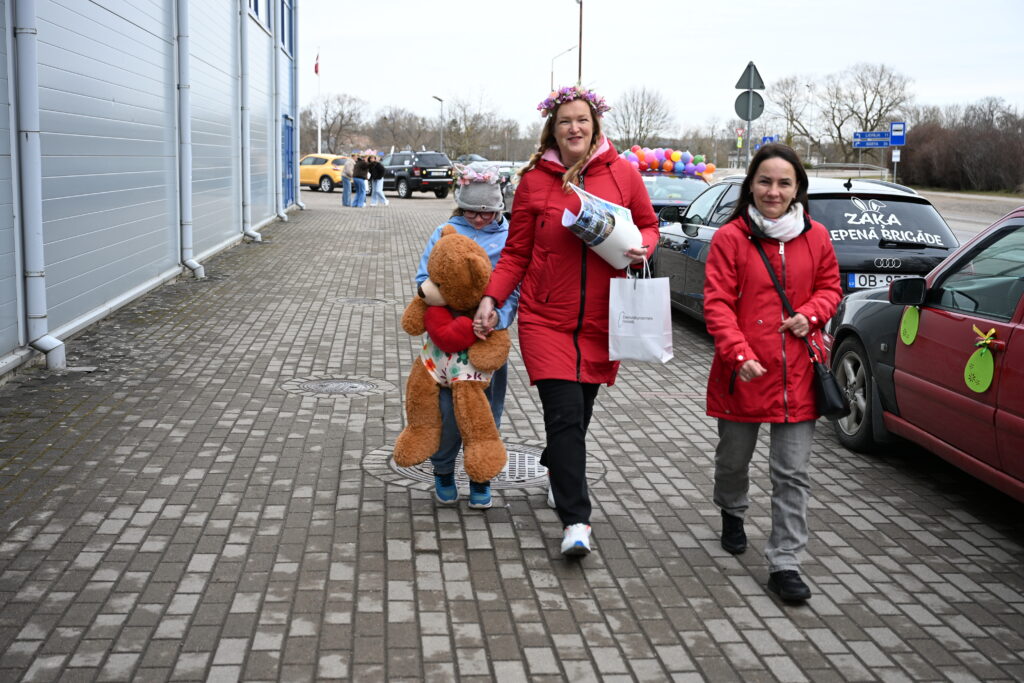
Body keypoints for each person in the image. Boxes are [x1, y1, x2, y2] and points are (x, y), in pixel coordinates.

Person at [474, 86, 658, 557]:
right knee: (565, 414)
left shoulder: (623, 174)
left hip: (602, 318)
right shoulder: (535, 180)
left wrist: (645, 247)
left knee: (579, 414)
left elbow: (649, 224)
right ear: (552, 130)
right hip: (545, 319)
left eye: (582, 120)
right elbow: (517, 252)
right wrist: (492, 298)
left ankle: (558, 465)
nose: (574, 128)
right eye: (564, 121)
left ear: (595, 126)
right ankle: (577, 522)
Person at [702, 143, 842, 603]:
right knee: (732, 461)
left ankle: (785, 562)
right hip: (743, 372)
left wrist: (811, 314)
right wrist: (738, 354)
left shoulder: (817, 236)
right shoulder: (730, 238)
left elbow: (830, 288)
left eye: (784, 183)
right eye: (765, 181)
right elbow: (717, 304)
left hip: (798, 374)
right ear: (751, 185)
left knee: (792, 473)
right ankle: (732, 510)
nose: (774, 191)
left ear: (798, 187)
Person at [415, 163, 519, 509]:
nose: (478, 219)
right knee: (446, 412)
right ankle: (443, 469)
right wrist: (446, 308)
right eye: (471, 212)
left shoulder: (509, 237)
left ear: (498, 208)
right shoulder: (444, 232)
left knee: (485, 413)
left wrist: (498, 317)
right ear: (461, 206)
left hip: (487, 340)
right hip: (446, 340)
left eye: (487, 213)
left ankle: (480, 476)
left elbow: (515, 288)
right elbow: (423, 279)